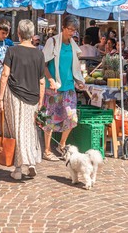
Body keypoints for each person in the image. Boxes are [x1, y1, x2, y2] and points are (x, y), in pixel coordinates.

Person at [0, 19, 45, 180]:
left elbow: (4, 75)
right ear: (32, 35)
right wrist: (41, 101)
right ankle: (31, 162)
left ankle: (18, 168)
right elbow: (42, 81)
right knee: (30, 129)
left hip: (14, 94)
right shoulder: (39, 53)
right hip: (32, 96)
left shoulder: (12, 51)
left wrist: (0, 98)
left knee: (16, 129)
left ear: (18, 33)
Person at [41, 15, 85, 161]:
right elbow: (43, 65)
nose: (72, 33)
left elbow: (75, 66)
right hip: (53, 87)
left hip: (69, 86)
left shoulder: (73, 45)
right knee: (50, 118)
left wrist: (79, 80)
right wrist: (51, 80)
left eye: (74, 30)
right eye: (70, 29)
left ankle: (62, 144)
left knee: (72, 118)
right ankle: (47, 150)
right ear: (63, 28)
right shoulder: (52, 41)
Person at [0, 19, 15, 96]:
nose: (5, 35)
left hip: (8, 75)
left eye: (7, 33)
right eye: (3, 33)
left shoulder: (9, 43)